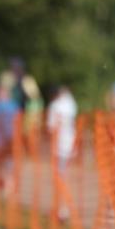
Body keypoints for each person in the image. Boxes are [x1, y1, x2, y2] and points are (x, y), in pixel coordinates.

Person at [46, 85, 78, 220]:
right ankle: (62, 207)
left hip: (59, 146)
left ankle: (63, 208)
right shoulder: (71, 104)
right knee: (64, 176)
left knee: (60, 177)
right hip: (70, 143)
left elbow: (51, 127)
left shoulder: (55, 106)